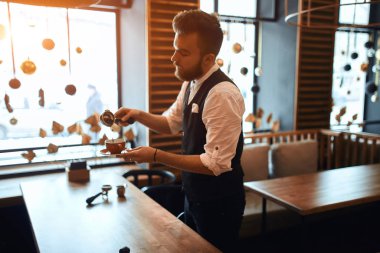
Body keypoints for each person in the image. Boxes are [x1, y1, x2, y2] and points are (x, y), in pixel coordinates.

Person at [115, 10, 245, 252]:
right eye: (175, 48)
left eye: (183, 53)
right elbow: (171, 123)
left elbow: (215, 164)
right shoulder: (191, 83)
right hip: (193, 193)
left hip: (219, 203)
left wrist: (156, 156)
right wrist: (138, 115)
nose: (173, 57)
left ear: (209, 59)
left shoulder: (222, 95)